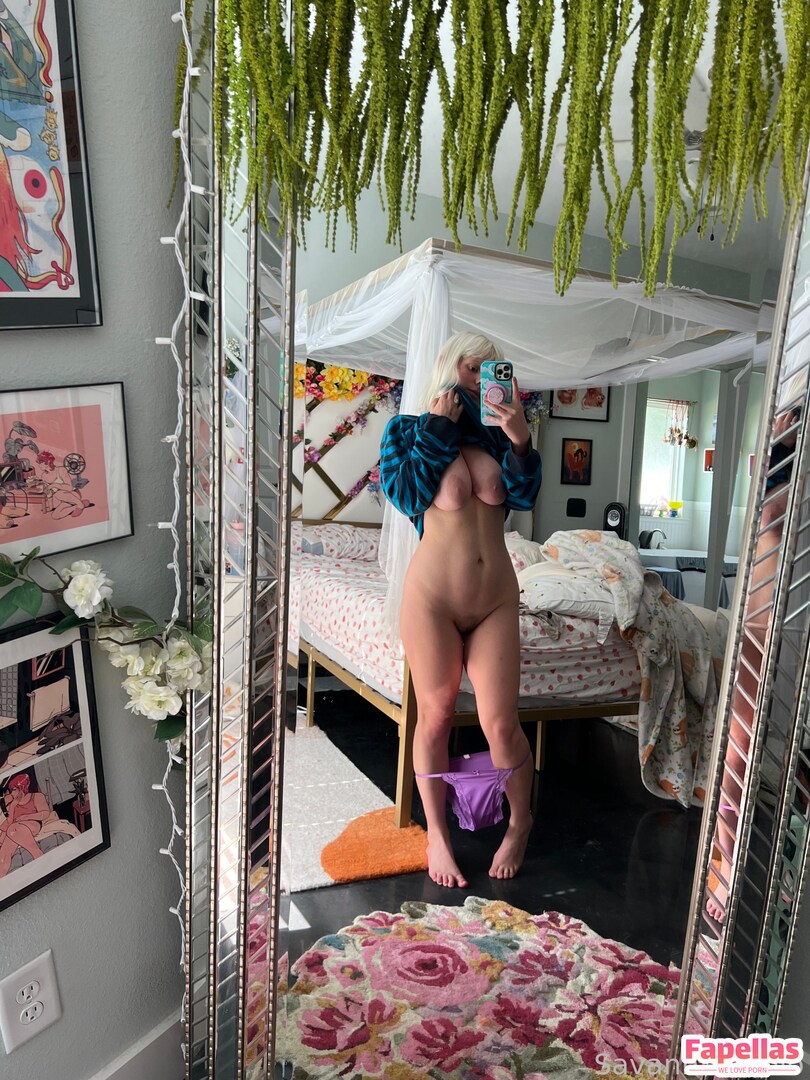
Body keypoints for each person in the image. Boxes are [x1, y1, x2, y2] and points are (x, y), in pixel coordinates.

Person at [379, 331, 542, 887]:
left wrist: (520, 441)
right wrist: (438, 428)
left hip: (495, 600)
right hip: (433, 601)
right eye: (473, 368)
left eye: (492, 370)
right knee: (436, 716)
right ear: (450, 367)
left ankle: (519, 823)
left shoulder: (502, 434)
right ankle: (437, 837)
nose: (481, 380)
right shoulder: (408, 429)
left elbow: (523, 497)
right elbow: (406, 495)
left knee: (500, 722)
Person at [707, 403, 801, 925]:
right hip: (763, 618)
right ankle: (728, 861)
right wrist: (777, 450)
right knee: (738, 753)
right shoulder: (775, 489)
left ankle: (766, 865)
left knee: (762, 756)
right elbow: (766, 514)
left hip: (777, 617)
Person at [0, 773, 49, 878]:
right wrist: (13, 806)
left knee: (13, 829)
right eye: (11, 790)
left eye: (14, 789)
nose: (12, 793)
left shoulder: (36, 796)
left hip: (32, 824)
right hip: (14, 830)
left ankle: (38, 855)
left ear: (21, 788)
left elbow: (45, 813)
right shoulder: (12, 804)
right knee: (2, 856)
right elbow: (6, 825)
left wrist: (26, 817)